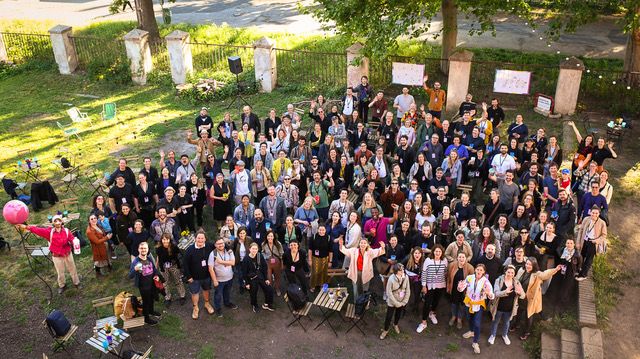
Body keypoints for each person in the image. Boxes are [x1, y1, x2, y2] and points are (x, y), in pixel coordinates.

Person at [518, 258, 561, 340]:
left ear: (534, 265)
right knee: (519, 310)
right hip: (521, 296)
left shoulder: (537, 274)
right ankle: (516, 324)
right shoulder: (522, 270)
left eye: (530, 264)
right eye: (527, 264)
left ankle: (527, 332)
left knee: (529, 314)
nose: (528, 266)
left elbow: (545, 274)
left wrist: (555, 269)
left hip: (531, 298)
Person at [459, 263, 495, 354]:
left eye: (481, 270)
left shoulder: (485, 282)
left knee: (477, 324)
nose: (479, 271)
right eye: (478, 269)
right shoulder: (469, 277)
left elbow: (492, 295)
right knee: (469, 319)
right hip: (468, 303)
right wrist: (459, 287)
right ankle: (471, 331)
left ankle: (475, 342)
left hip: (478, 304)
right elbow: (461, 288)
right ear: (475, 269)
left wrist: (489, 293)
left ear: (483, 272)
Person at [488, 265, 526, 346]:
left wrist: (519, 293)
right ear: (505, 272)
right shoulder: (499, 280)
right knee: (495, 322)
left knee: (506, 323)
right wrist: (505, 291)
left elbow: (523, 295)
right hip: (499, 307)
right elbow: (496, 293)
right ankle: (492, 335)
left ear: (514, 274)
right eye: (508, 272)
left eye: (512, 273)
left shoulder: (516, 282)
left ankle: (504, 335)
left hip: (510, 308)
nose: (510, 274)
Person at [182, 231, 215, 320]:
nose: (200, 240)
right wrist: (188, 277)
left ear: (205, 239)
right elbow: (185, 264)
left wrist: (229, 248)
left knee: (206, 290)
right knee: (195, 293)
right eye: (198, 238)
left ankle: (207, 304)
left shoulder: (209, 246)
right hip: (194, 278)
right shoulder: (190, 250)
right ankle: (195, 307)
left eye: (202, 238)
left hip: (206, 276)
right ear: (195, 239)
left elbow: (219, 244)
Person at [416, 244, 448, 333]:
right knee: (427, 303)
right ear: (433, 251)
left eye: (439, 251)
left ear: (442, 253)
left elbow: (445, 272)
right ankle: (423, 322)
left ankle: (432, 313)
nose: (438, 253)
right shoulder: (428, 260)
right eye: (436, 251)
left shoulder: (444, 261)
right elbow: (424, 273)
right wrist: (423, 285)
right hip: (430, 285)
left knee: (436, 301)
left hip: (440, 285)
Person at [129, 242, 162, 325]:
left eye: (145, 248)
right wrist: (135, 269)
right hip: (143, 286)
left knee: (152, 298)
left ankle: (151, 311)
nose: (143, 250)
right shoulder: (136, 261)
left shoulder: (149, 258)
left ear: (147, 250)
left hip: (152, 283)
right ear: (138, 249)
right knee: (146, 301)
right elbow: (130, 276)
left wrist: (156, 276)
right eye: (141, 248)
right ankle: (146, 318)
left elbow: (154, 269)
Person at [207, 237, 238, 317]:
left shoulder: (229, 251)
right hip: (219, 280)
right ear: (215, 245)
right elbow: (210, 269)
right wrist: (214, 280)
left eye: (222, 243)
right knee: (218, 295)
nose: (221, 245)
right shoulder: (212, 254)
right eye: (218, 244)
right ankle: (218, 308)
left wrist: (221, 262)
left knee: (227, 292)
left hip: (229, 277)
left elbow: (233, 263)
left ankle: (227, 303)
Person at [380, 263, 411, 339]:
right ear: (396, 271)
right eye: (400, 270)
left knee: (398, 314)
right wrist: (396, 303)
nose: (402, 271)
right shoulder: (391, 278)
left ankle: (395, 324)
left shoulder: (406, 277)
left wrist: (404, 301)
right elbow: (389, 292)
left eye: (403, 269)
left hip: (402, 300)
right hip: (392, 301)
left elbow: (408, 290)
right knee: (389, 316)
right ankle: (385, 330)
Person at [576, 206, 607, 280]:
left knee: (589, 260)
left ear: (599, 214)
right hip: (584, 240)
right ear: (590, 212)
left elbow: (604, 235)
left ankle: (584, 275)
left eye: (596, 213)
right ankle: (579, 269)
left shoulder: (602, 223)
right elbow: (581, 230)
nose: (594, 214)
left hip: (593, 242)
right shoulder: (586, 219)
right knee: (581, 256)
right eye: (593, 213)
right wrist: (578, 242)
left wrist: (596, 241)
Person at [242, 242, 275, 312]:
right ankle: (255, 305)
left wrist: (266, 278)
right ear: (249, 249)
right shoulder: (246, 259)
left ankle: (267, 304)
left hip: (260, 275)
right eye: (253, 249)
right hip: (251, 278)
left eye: (256, 249)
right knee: (253, 291)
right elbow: (244, 272)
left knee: (269, 289)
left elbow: (264, 267)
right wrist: (247, 283)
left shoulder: (259, 256)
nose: (254, 250)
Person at [155, 233, 186, 307]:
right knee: (165, 283)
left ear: (169, 240)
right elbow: (158, 258)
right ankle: (167, 297)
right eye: (163, 239)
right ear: (161, 240)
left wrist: (180, 267)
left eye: (167, 239)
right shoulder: (158, 248)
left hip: (174, 266)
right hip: (164, 267)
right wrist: (156, 268)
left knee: (178, 281)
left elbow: (179, 256)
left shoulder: (174, 247)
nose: (165, 241)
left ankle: (182, 295)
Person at [555, 238, 582, 307]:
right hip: (561, 268)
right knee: (558, 283)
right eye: (568, 243)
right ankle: (556, 300)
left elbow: (579, 263)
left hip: (570, 270)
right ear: (565, 244)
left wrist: (576, 271)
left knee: (566, 286)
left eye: (571, 243)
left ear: (574, 244)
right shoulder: (562, 250)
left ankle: (563, 303)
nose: (569, 245)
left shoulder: (577, 254)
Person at [308, 224, 332, 291]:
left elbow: (330, 251)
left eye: (323, 230)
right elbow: (310, 249)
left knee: (323, 273)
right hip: (315, 258)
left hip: (325, 258)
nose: (321, 231)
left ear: (325, 230)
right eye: (320, 230)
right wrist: (309, 259)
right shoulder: (314, 237)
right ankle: (313, 285)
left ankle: (322, 285)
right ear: (318, 230)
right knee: (314, 272)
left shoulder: (328, 237)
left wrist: (330, 261)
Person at [261, 231, 285, 296]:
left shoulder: (278, 243)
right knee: (269, 278)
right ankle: (270, 289)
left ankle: (277, 289)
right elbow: (262, 253)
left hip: (277, 262)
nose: (270, 237)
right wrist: (266, 257)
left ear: (274, 237)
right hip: (268, 263)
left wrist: (282, 264)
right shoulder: (263, 244)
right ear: (266, 237)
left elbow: (281, 254)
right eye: (268, 236)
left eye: (271, 236)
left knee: (277, 277)